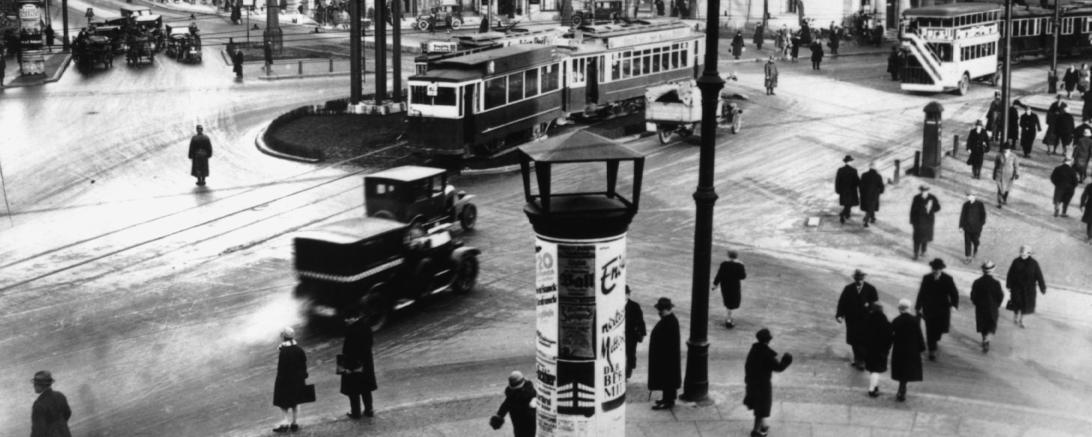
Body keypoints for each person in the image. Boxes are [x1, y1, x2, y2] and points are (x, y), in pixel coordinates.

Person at [743, 328, 792, 437]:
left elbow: (748, 365)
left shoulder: (754, 349)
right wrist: (786, 360)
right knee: (762, 407)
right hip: (762, 385)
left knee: (759, 406)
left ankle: (763, 425)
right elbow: (778, 367)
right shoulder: (767, 354)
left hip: (752, 382)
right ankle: (756, 431)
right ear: (768, 340)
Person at [915, 258, 959, 361]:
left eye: (937, 269)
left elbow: (954, 293)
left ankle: (935, 340)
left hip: (943, 309)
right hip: (929, 309)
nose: (935, 271)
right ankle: (932, 351)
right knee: (930, 330)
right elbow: (921, 293)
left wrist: (954, 305)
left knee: (940, 329)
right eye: (934, 269)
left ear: (941, 269)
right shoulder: (926, 278)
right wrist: (918, 306)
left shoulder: (948, 279)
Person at [835, 269, 878, 370]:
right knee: (854, 340)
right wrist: (839, 315)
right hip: (852, 319)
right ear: (854, 278)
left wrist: (872, 312)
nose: (859, 280)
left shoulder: (871, 289)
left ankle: (861, 360)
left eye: (861, 278)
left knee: (863, 340)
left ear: (863, 278)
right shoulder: (848, 288)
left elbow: (875, 304)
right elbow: (842, 303)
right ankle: (857, 359)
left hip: (866, 320)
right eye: (857, 278)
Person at [340, 309, 376, 419]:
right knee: (366, 388)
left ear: (354, 317)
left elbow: (347, 350)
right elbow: (370, 344)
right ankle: (369, 410)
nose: (346, 320)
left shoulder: (350, 330)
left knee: (353, 390)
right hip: (366, 362)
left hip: (353, 363)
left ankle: (355, 413)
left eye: (348, 318)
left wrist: (345, 364)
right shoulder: (367, 327)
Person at [273, 327, 308, 433]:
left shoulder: (283, 351)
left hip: (286, 380)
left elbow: (281, 368)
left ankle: (285, 421)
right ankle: (295, 423)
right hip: (298, 379)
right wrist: (303, 376)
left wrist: (279, 381)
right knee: (296, 401)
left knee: (283, 402)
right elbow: (304, 364)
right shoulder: (299, 349)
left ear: (283, 337)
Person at [648, 297, 680, 410]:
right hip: (666, 357)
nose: (659, 312)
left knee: (668, 379)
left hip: (667, 358)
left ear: (665, 309)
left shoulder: (670, 321)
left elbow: (667, 341)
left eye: (660, 310)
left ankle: (668, 401)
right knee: (667, 379)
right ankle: (666, 398)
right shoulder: (669, 320)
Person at [889, 299, 924, 402]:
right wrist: (921, 348)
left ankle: (901, 388)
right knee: (907, 370)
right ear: (908, 309)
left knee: (901, 370)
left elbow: (890, 335)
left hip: (899, 349)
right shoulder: (914, 320)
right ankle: (902, 388)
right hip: (912, 349)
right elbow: (919, 335)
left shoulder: (896, 320)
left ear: (900, 309)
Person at [1005, 245, 1046, 328]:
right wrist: (1008, 284)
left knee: (1025, 305)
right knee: (1016, 303)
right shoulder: (1016, 261)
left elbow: (1039, 276)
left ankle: (1022, 320)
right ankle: (1016, 315)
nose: (1022, 255)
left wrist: (1042, 287)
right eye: (1021, 253)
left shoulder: (1034, 263)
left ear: (1029, 254)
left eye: (1024, 254)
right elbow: (1010, 273)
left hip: (1028, 289)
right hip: (1016, 287)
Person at [970, 260, 1004, 353]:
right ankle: (987, 340)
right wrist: (997, 305)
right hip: (992, 308)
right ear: (992, 271)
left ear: (983, 270)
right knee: (991, 325)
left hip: (981, 308)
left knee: (983, 325)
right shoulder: (996, 283)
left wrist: (976, 303)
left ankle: (985, 339)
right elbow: (1000, 296)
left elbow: (973, 295)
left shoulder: (977, 282)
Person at [491, 371, 536, 437]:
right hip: (528, 421)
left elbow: (505, 406)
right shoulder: (530, 391)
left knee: (520, 433)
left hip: (518, 421)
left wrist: (499, 417)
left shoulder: (511, 395)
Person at [861, 302, 891, 397]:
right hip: (881, 350)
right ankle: (872, 389)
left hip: (869, 349)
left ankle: (874, 385)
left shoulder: (868, 320)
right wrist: (887, 349)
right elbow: (889, 338)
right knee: (876, 370)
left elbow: (863, 335)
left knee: (872, 369)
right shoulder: (885, 322)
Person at [30, 371, 71, 437]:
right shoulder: (60, 395)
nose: (34, 385)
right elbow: (67, 413)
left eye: (35, 383)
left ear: (41, 385)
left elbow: (38, 431)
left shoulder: (39, 405)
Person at [713, 250, 747, 328]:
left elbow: (719, 275)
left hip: (725, 284)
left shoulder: (724, 264)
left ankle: (728, 318)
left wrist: (715, 284)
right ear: (737, 256)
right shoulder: (740, 265)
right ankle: (729, 318)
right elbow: (743, 276)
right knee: (733, 301)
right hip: (734, 285)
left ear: (728, 255)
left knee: (727, 300)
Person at [909, 185, 940, 260]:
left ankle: (923, 251)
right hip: (918, 221)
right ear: (921, 191)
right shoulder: (916, 198)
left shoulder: (932, 198)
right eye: (923, 190)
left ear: (928, 191)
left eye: (926, 190)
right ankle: (916, 253)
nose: (924, 192)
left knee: (925, 237)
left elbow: (938, 207)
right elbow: (913, 209)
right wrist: (912, 220)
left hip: (928, 221)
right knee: (917, 238)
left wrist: (931, 208)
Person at [624, 286, 646, 380]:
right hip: (619, 333)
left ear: (628, 295)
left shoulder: (634, 306)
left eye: (625, 294)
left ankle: (628, 373)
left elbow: (641, 320)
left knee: (630, 353)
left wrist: (642, 333)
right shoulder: (615, 304)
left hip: (631, 334)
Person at [958, 192, 987, 264]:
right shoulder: (965, 205)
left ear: (974, 196)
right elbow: (962, 215)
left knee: (975, 240)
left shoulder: (980, 204)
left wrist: (981, 223)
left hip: (976, 227)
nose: (968, 197)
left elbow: (983, 214)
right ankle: (968, 257)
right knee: (967, 242)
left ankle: (976, 248)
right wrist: (961, 226)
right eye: (967, 195)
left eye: (970, 196)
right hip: (967, 227)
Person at [858, 160, 885, 227]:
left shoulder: (864, 175)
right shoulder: (878, 176)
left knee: (868, 207)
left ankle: (872, 218)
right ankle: (866, 221)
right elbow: (881, 186)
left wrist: (861, 192)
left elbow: (861, 185)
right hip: (874, 195)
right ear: (875, 168)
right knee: (871, 207)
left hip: (865, 195)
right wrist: (880, 191)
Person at [835, 155, 860, 224]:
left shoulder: (840, 170)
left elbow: (837, 181)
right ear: (850, 162)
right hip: (851, 191)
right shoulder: (853, 170)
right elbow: (857, 181)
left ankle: (847, 214)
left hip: (843, 191)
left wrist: (837, 190)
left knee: (847, 204)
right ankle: (843, 214)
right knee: (849, 204)